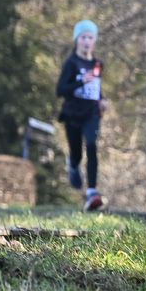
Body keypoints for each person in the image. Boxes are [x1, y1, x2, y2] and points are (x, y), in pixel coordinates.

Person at [55, 19, 109, 211]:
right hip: (72, 114)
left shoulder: (98, 64)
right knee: (77, 153)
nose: (87, 41)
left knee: (93, 145)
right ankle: (73, 165)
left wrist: (102, 99)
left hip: (92, 114)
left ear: (95, 41)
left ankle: (92, 192)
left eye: (90, 37)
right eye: (83, 37)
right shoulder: (71, 63)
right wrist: (80, 82)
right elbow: (60, 90)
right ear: (77, 40)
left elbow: (96, 88)